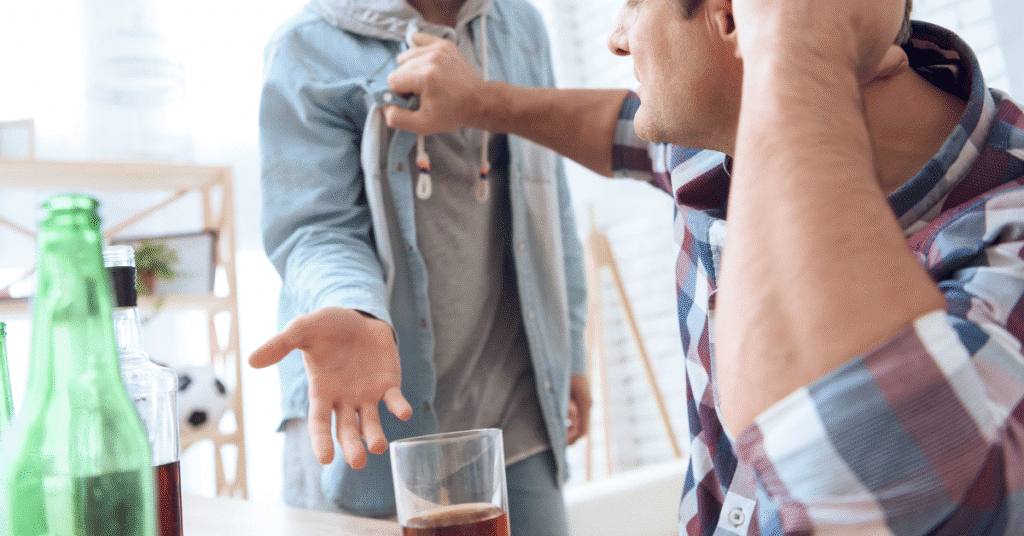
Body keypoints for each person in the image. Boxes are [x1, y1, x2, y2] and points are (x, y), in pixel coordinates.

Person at [383, 0, 1024, 533]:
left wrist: (796, 52)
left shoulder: (1003, 243)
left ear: (735, 18)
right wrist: (479, 102)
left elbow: (851, 478)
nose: (617, 38)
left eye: (637, 4)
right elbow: (623, 131)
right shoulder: (714, 147)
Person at [250, 0, 591, 534]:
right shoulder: (305, 47)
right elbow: (314, 229)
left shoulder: (518, 24)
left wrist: (570, 349)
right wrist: (353, 307)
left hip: (513, 405)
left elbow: (551, 196)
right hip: (367, 408)